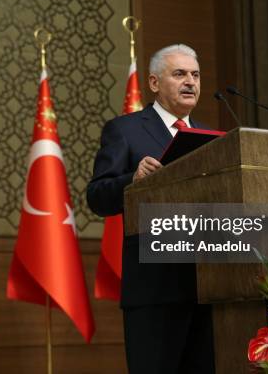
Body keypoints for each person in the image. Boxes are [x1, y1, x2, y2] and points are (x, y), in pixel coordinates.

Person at [87, 44, 215, 373]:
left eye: (196, 75)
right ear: (155, 83)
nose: (191, 82)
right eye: (180, 74)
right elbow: (97, 196)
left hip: (208, 287)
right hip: (155, 289)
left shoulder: (210, 138)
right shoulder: (125, 130)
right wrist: (133, 178)